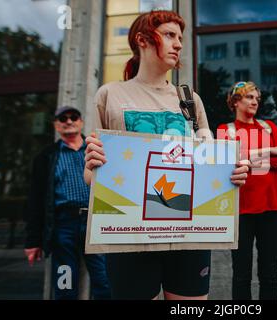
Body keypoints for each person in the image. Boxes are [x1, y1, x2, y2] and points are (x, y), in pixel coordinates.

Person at [83, 10, 249, 300]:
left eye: (180, 38)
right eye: (170, 35)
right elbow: (91, 176)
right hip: (128, 233)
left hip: (187, 231)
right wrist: (92, 165)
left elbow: (210, 161)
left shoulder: (189, 99)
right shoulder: (109, 95)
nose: (179, 44)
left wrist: (231, 171)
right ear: (142, 40)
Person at [24, 106, 111, 300]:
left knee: (104, 280)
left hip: (94, 221)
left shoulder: (96, 151)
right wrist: (33, 241)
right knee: (65, 282)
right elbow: (36, 199)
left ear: (81, 122)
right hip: (63, 225)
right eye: (63, 118)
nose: (69, 121)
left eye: (74, 117)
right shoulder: (45, 157)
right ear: (56, 125)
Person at [217, 81, 277, 300]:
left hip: (271, 208)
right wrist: (269, 151)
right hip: (240, 211)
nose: (255, 102)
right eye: (250, 97)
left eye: (257, 99)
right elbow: (226, 161)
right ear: (235, 101)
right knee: (241, 275)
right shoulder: (226, 130)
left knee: (269, 274)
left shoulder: (268, 127)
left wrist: (246, 157)